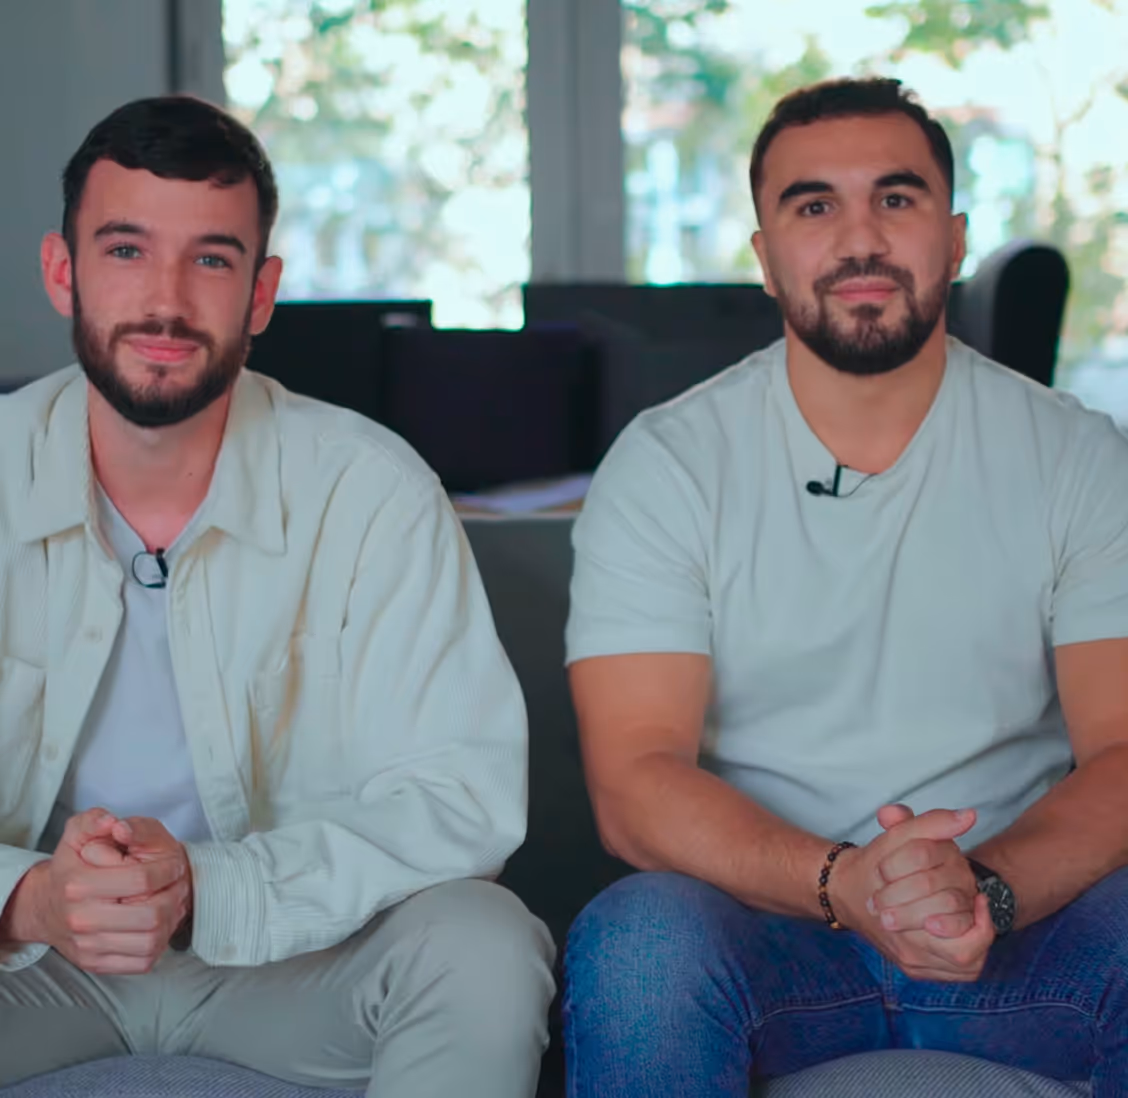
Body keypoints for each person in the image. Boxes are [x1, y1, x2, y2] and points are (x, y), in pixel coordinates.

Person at [562, 77, 1128, 1096]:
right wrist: (844, 883)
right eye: (814, 206)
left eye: (896, 199)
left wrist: (983, 893)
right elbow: (633, 783)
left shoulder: (1077, 455)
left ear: (954, 239)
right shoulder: (669, 463)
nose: (859, 239)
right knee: (637, 943)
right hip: (771, 938)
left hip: (1024, 928)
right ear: (766, 255)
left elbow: (1125, 752)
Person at [0, 96, 554, 1098]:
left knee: (484, 943)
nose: (165, 301)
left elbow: (457, 796)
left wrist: (208, 890)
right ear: (60, 270)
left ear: (261, 294)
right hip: (31, 968)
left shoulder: (370, 486)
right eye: (126, 250)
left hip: (288, 970)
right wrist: (32, 899)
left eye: (210, 259)